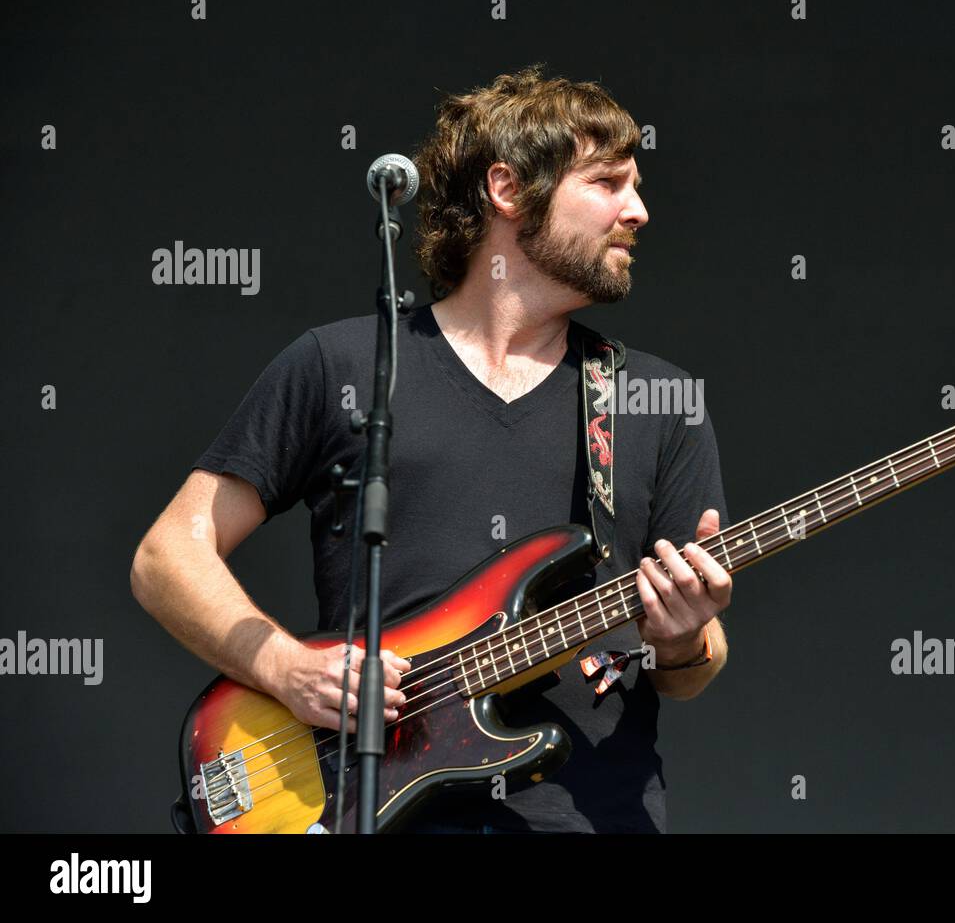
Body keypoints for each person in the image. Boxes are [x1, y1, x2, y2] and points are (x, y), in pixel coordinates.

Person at [129, 64, 733, 834]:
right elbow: (166, 557)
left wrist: (682, 640)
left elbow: (692, 666)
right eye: (609, 182)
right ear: (508, 188)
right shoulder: (346, 366)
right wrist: (284, 667)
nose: (640, 210)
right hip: (365, 812)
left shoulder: (658, 403)